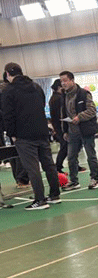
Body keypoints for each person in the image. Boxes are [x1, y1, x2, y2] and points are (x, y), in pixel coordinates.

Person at [1, 63, 60, 210]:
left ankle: (40, 200)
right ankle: (55, 195)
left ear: (7, 74)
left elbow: (8, 115)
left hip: (24, 135)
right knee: (49, 165)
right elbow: (42, 104)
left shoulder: (9, 91)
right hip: (41, 131)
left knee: (32, 168)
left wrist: (12, 134)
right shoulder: (36, 86)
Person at [60, 70, 98, 190]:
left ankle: (94, 179)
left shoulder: (83, 94)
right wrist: (65, 131)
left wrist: (80, 117)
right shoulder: (64, 96)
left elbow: (92, 110)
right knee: (71, 157)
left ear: (72, 81)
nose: (63, 83)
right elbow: (64, 113)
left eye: (65, 80)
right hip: (72, 132)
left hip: (85, 130)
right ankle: (74, 181)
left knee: (90, 155)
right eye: (61, 81)